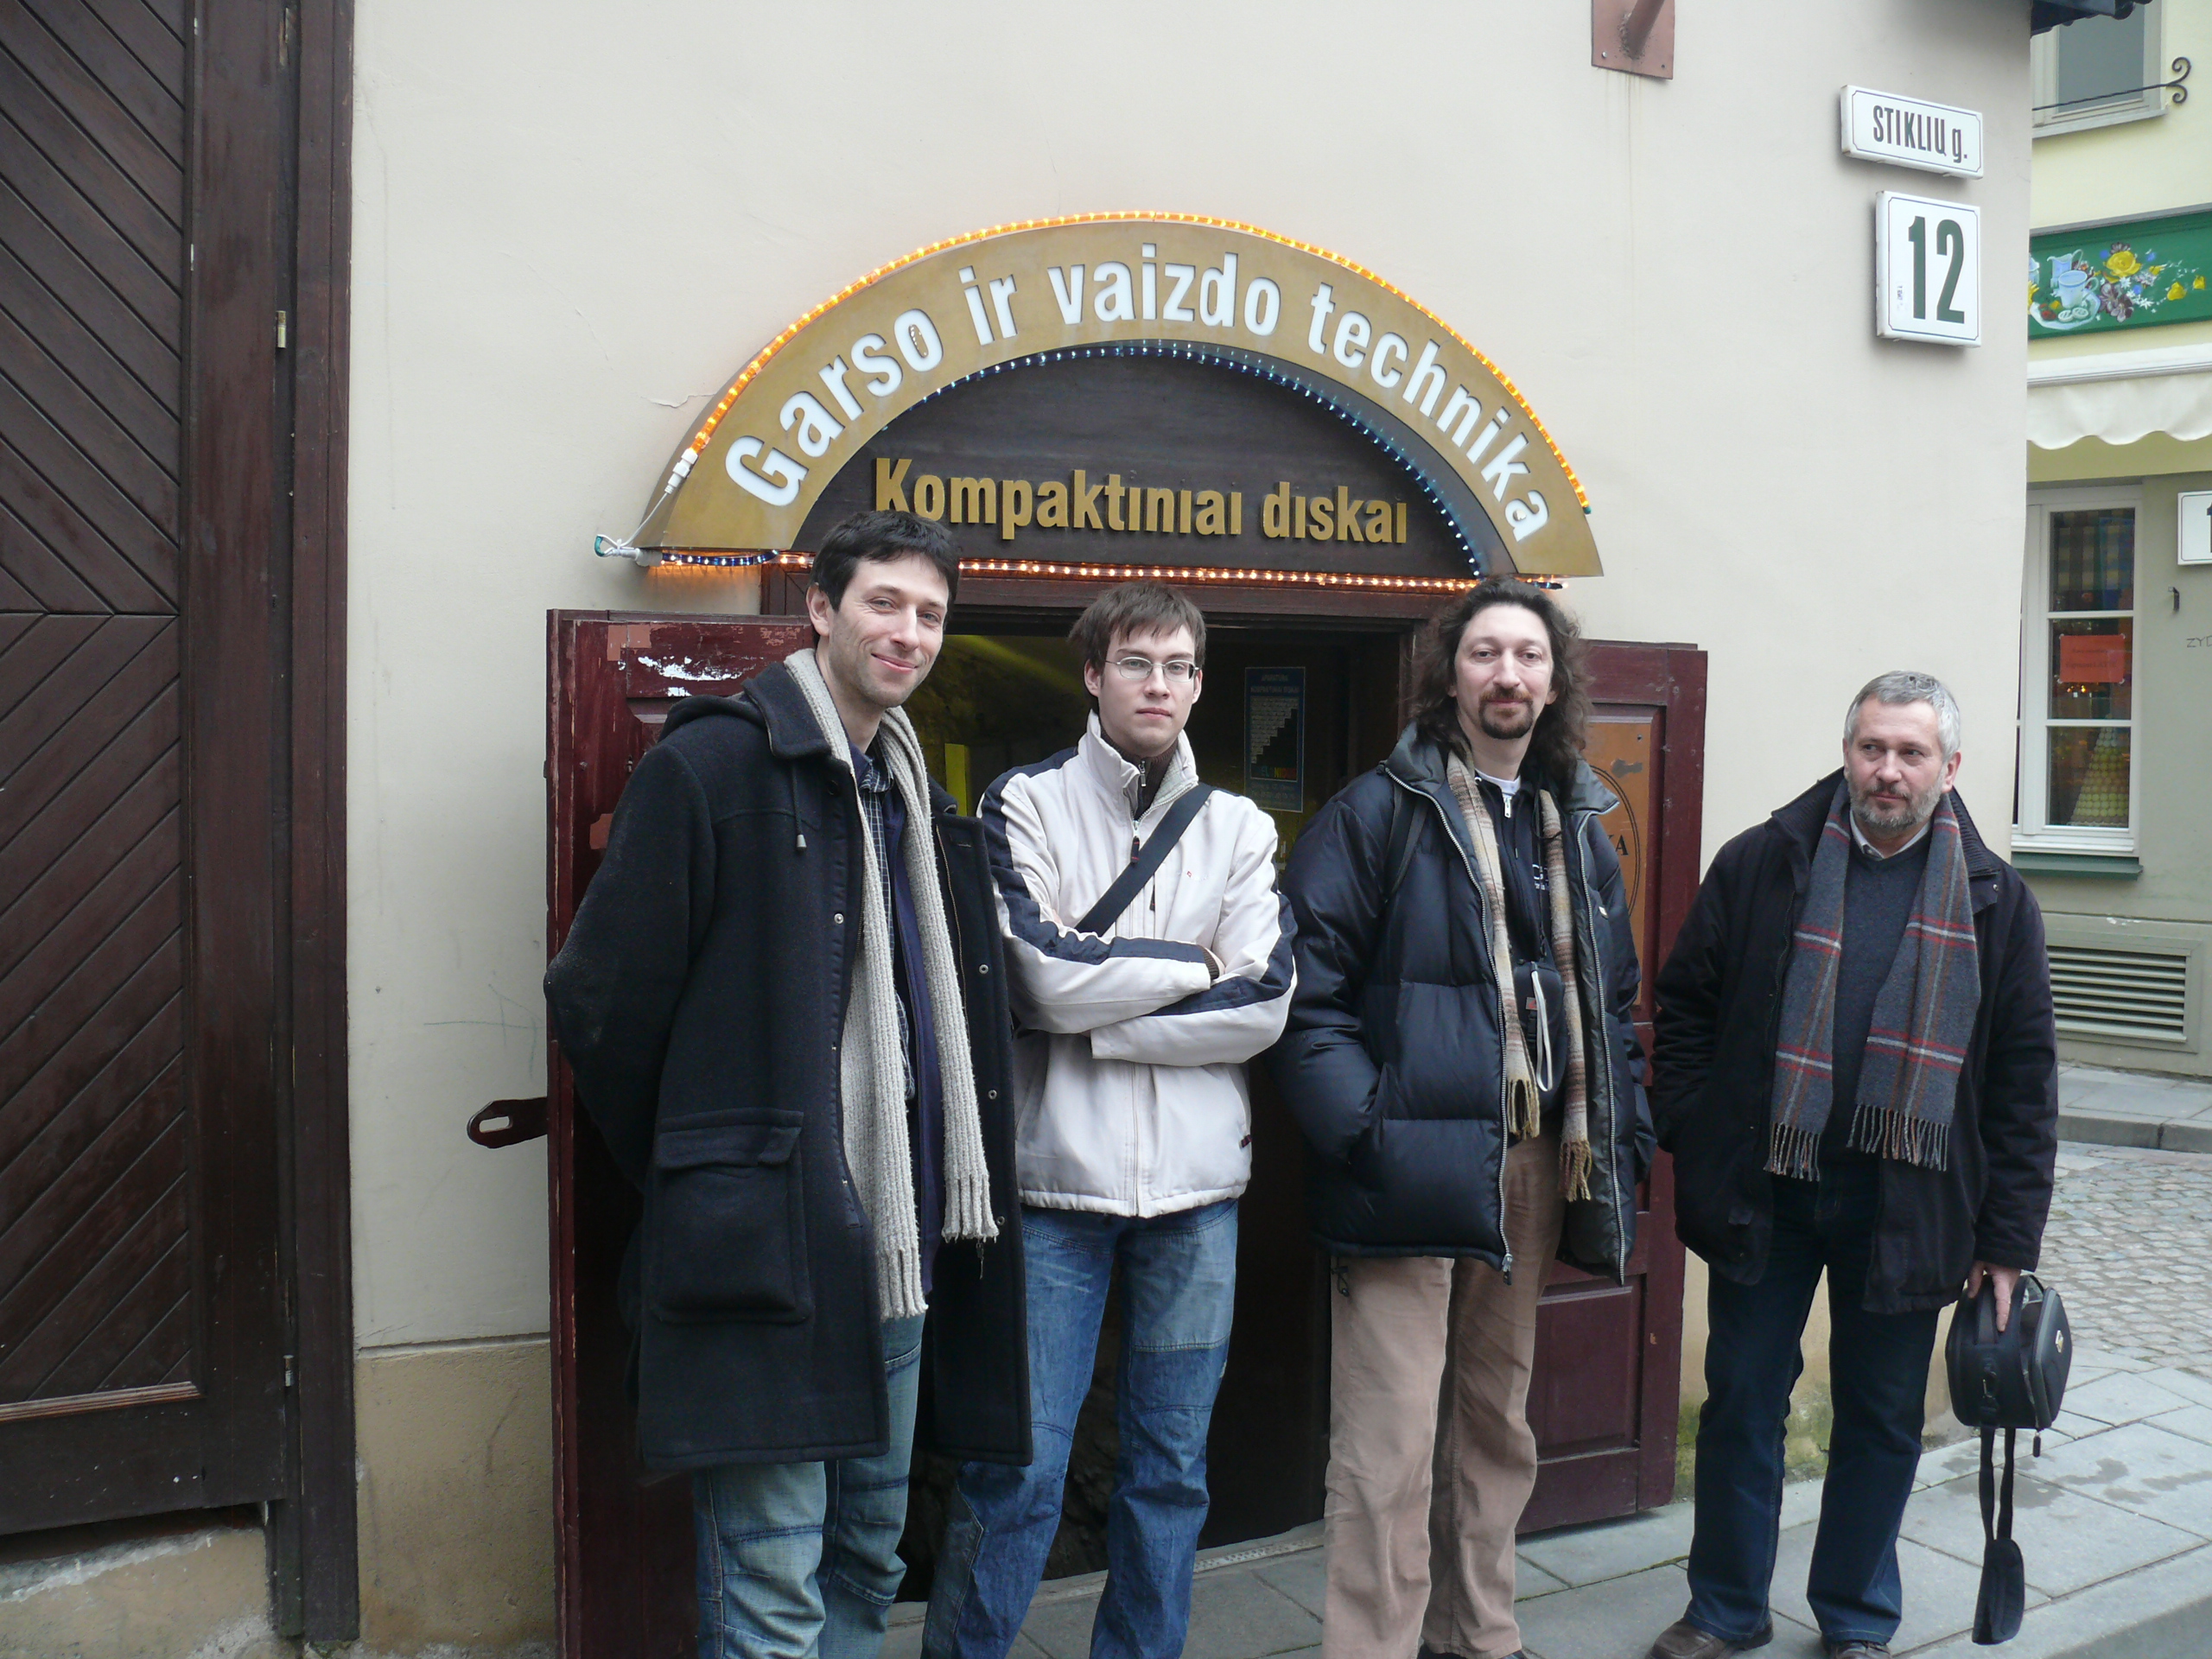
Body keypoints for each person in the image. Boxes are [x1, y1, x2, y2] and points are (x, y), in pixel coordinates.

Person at [543, 511, 1028, 1659]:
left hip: (901, 1249)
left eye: (930, 615)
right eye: (885, 604)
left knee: (867, 1555)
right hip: (768, 1253)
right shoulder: (712, 770)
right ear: (820, 609)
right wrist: (714, 1166)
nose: (908, 633)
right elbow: (601, 1004)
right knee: (769, 1580)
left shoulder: (920, 803)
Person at [1641, 671, 2057, 1659]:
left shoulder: (1997, 902)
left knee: (1878, 1417)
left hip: (1906, 1198)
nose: (1887, 770)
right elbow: (1684, 1009)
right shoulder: (1762, 864)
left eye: (1911, 753)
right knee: (1742, 1397)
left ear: (1948, 768)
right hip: (1767, 1187)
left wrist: (2005, 1239)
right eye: (1872, 748)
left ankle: (1857, 1620)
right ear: (1846, 751)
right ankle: (1725, 1610)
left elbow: (2024, 1084)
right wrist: (1695, 1126)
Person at [1272, 578, 1650, 1659]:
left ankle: (1480, 1636)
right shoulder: (1379, 809)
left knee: (1494, 1426)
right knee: (1385, 1450)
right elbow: (1309, 991)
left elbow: (1611, 1005)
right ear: (1450, 673)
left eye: (1527, 657)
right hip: (1407, 1166)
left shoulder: (1573, 821)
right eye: (1486, 654)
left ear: (1553, 680)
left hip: (1530, 1163)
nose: (1507, 676)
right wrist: (1366, 1128)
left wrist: (1617, 1148)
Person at [923, 582, 1295, 1659]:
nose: (1161, 685)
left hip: (1198, 1197)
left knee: (1170, 1471)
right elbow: (1035, 977)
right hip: (1053, 1191)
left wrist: (1102, 1019)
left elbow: (1263, 1001)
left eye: (1180, 667)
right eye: (1138, 662)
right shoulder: (1023, 804)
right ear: (1093, 675)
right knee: (1019, 1470)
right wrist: (1189, 970)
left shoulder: (1237, 826)